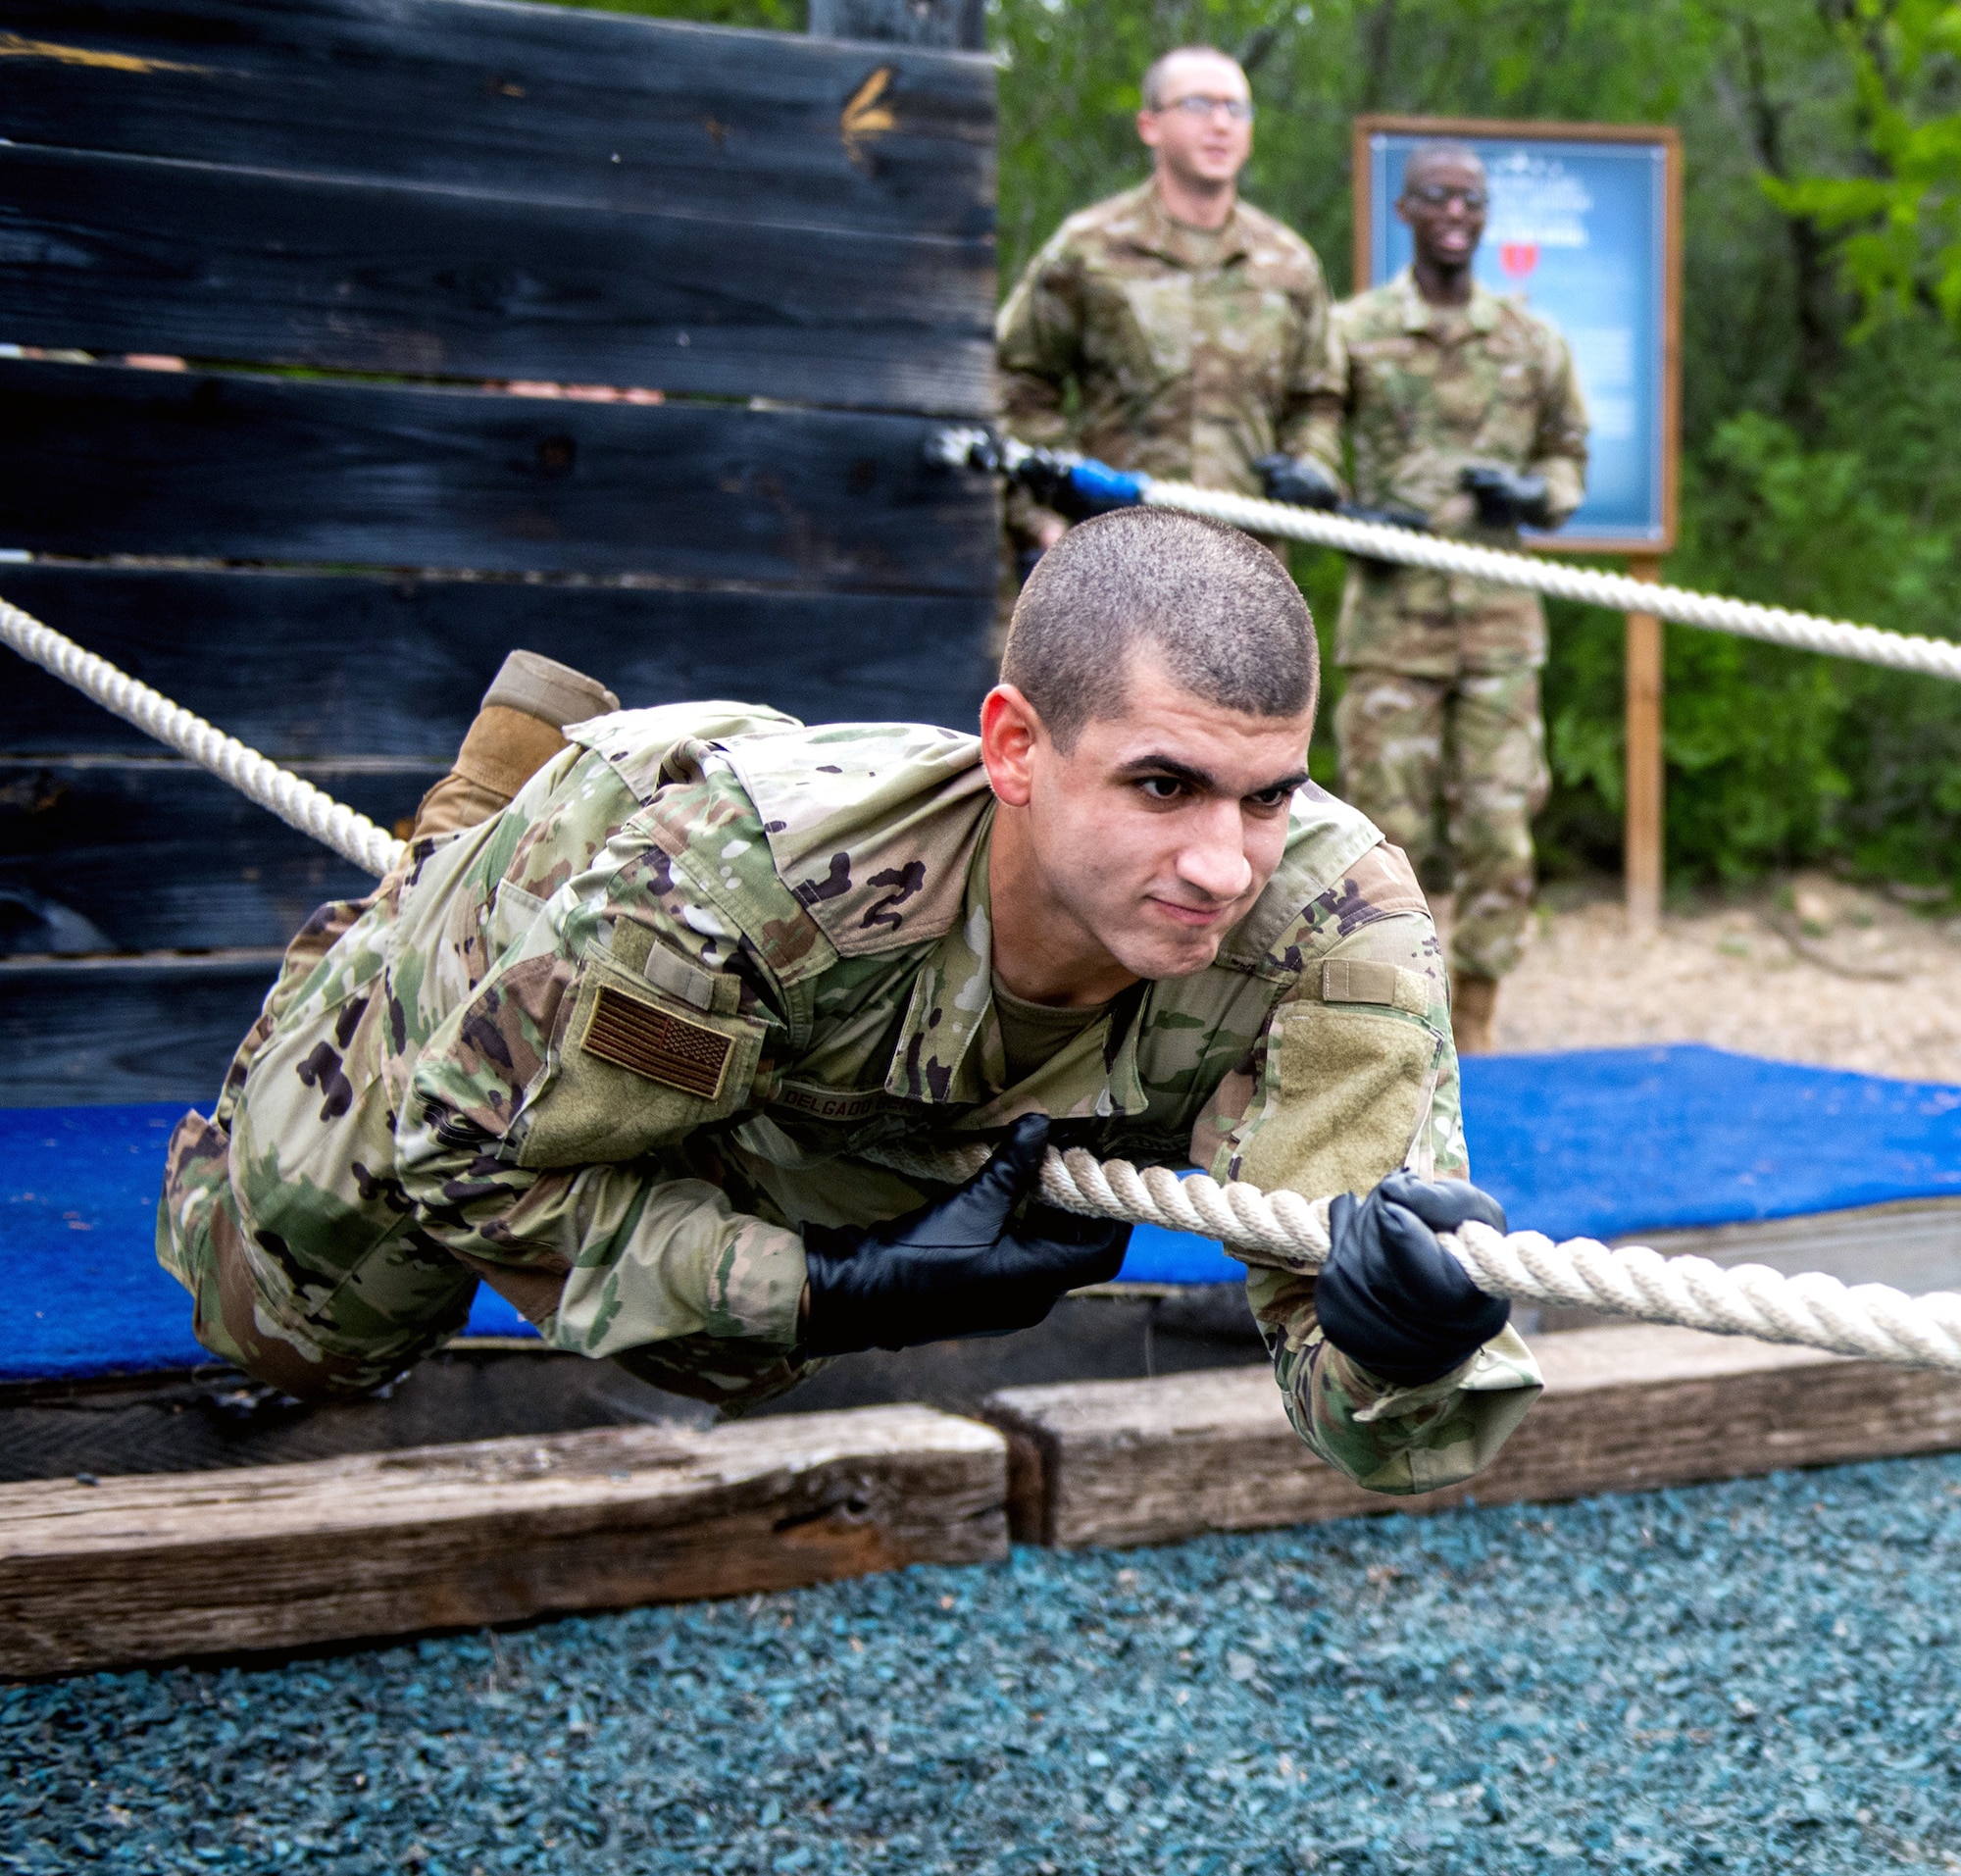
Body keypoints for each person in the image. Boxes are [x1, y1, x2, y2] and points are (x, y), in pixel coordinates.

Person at [157, 507, 1541, 1495]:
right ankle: (454, 849)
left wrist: (1399, 1343)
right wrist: (825, 1295)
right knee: (293, 1329)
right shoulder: (724, 876)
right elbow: (463, 1166)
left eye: (1268, 794)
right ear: (1015, 748)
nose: (1222, 863)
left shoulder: (1335, 921)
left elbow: (1383, 1436)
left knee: (727, 1335)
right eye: (1162, 785)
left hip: (820, 1084)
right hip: (593, 896)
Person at [1332, 142, 1589, 1054]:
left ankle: (1475, 1026)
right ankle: (1388, 1025)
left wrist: (1535, 495)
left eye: (1471, 199)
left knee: (1499, 831)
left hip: (1498, 629)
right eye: (1438, 196)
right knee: (1380, 836)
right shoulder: (1354, 330)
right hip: (1393, 626)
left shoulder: (1529, 340)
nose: (1456, 212)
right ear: (1405, 210)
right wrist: (1349, 508)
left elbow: (1567, 456)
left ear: (1486, 217)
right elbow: (1311, 441)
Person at [992, 45, 1344, 625]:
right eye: (1199, 104)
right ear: (1150, 125)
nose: (1221, 123)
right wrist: (1050, 507)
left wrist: (1312, 468)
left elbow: (1319, 401)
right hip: (1113, 562)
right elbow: (1017, 381)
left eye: (1237, 108)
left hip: (1244, 568)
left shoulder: (1288, 262)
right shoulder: (1090, 248)